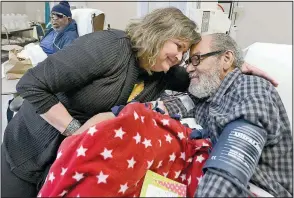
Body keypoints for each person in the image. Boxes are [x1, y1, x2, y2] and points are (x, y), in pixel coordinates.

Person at [1, 7, 276, 197]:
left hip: (69, 159)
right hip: (31, 149)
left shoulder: (163, 72)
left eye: (186, 54)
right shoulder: (109, 47)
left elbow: (206, 75)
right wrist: (77, 131)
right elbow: (32, 85)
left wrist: (238, 65)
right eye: (179, 47)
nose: (180, 59)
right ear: (158, 33)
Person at [163, 33, 292, 197]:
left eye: (196, 59)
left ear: (226, 59)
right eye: (188, 62)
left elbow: (231, 165)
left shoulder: (251, 89)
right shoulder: (209, 94)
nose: (188, 68)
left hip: (256, 189)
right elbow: (176, 105)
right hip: (214, 179)